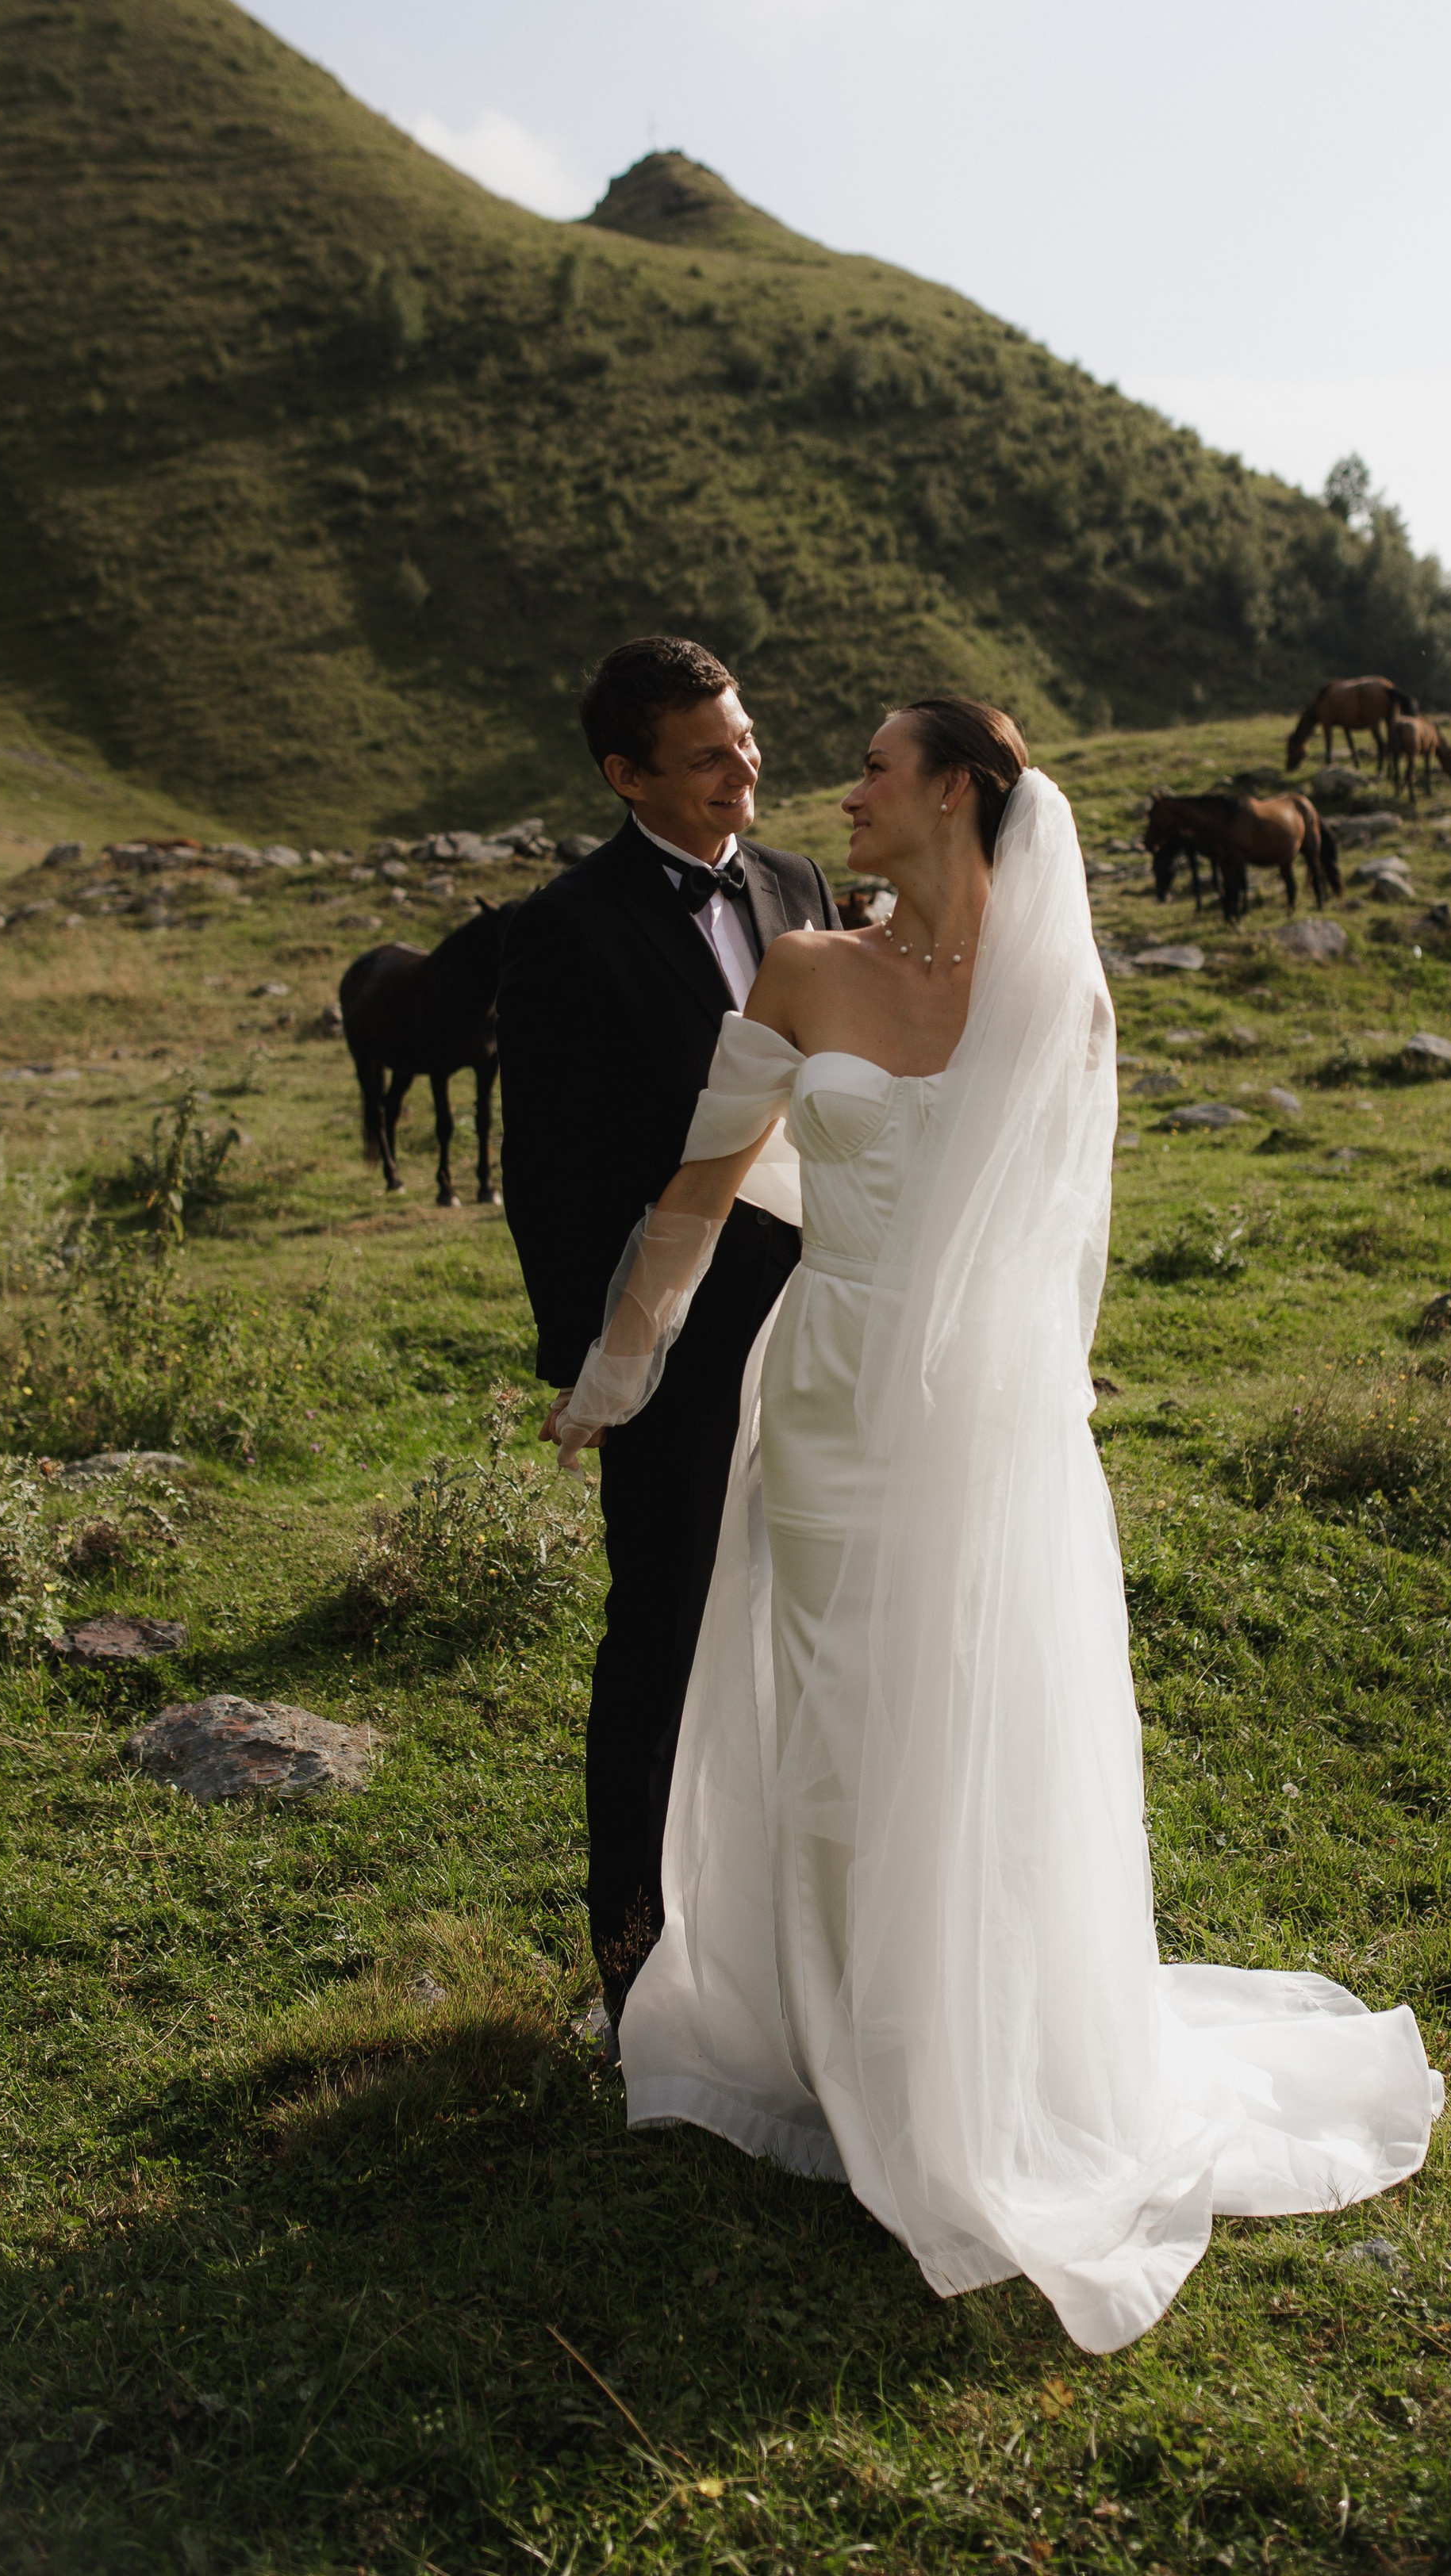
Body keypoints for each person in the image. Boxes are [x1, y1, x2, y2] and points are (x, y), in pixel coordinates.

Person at [549, 695, 1443, 2354]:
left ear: (954, 791)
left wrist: (1040, 1412)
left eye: (874, 769)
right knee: (836, 1700)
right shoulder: (804, 968)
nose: (843, 794)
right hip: (828, 1395)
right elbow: (701, 1187)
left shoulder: (1062, 998)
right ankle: (838, 2035)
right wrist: (619, 1367)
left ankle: (973, 2045)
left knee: (973, 1705)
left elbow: (1058, 1241)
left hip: (986, 1415)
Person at [498, 638, 840, 2025]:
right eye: (706, 755)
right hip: (675, 1340)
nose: (741, 768)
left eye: (744, 739)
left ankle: (786, 1943)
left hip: (824, 1325)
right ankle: (633, 1963)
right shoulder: (564, 928)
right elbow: (549, 1171)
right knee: (663, 1631)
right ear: (624, 775)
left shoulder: (799, 885)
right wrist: (609, 1358)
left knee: (812, 1621)